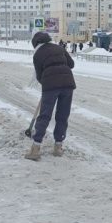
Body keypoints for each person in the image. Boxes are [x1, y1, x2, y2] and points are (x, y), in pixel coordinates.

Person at [25, 31, 76, 160]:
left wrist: (47, 83)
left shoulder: (37, 54)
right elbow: (71, 64)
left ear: (35, 44)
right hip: (68, 83)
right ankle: (58, 147)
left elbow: (39, 75)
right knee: (62, 115)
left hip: (51, 85)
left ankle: (35, 148)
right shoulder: (59, 48)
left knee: (44, 115)